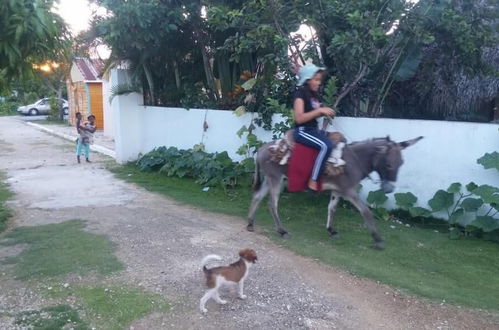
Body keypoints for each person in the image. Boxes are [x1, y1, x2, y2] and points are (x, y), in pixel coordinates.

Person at [293, 64, 336, 191]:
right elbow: (299, 118)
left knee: (337, 140)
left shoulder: (314, 96)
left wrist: (324, 111)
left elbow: (316, 111)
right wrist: (319, 111)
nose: (319, 83)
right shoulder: (300, 94)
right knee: (325, 145)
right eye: (316, 80)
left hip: (313, 130)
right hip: (302, 131)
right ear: (307, 79)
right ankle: (313, 180)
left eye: (319, 80)